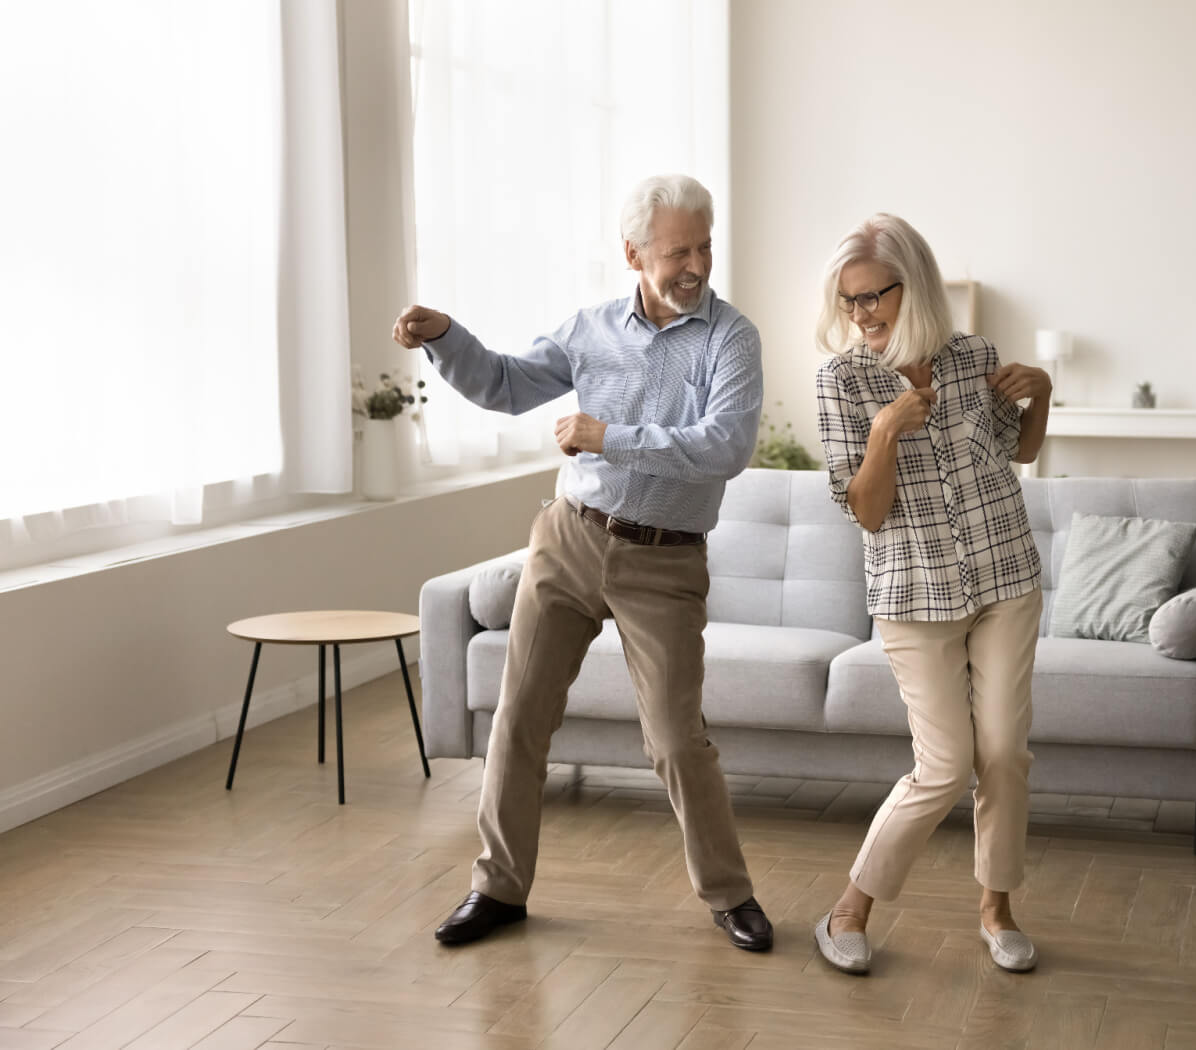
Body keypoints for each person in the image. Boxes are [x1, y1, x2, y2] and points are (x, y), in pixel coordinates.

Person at [392, 174, 773, 952]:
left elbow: (725, 448)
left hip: (664, 563)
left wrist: (610, 436)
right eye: (677, 251)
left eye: (705, 246)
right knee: (520, 720)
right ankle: (497, 889)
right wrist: (445, 338)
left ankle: (729, 894)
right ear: (633, 252)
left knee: (675, 739)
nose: (696, 264)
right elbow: (502, 384)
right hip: (568, 539)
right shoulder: (589, 328)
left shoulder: (731, 339)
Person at [812, 213, 1051, 975]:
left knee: (1005, 753)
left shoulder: (974, 356)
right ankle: (848, 909)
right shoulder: (841, 381)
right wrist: (884, 435)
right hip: (913, 598)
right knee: (945, 766)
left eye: (874, 296)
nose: (862, 314)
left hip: (1005, 578)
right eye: (849, 301)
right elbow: (868, 513)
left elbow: (1020, 450)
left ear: (912, 287)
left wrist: (1041, 392)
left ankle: (997, 907)